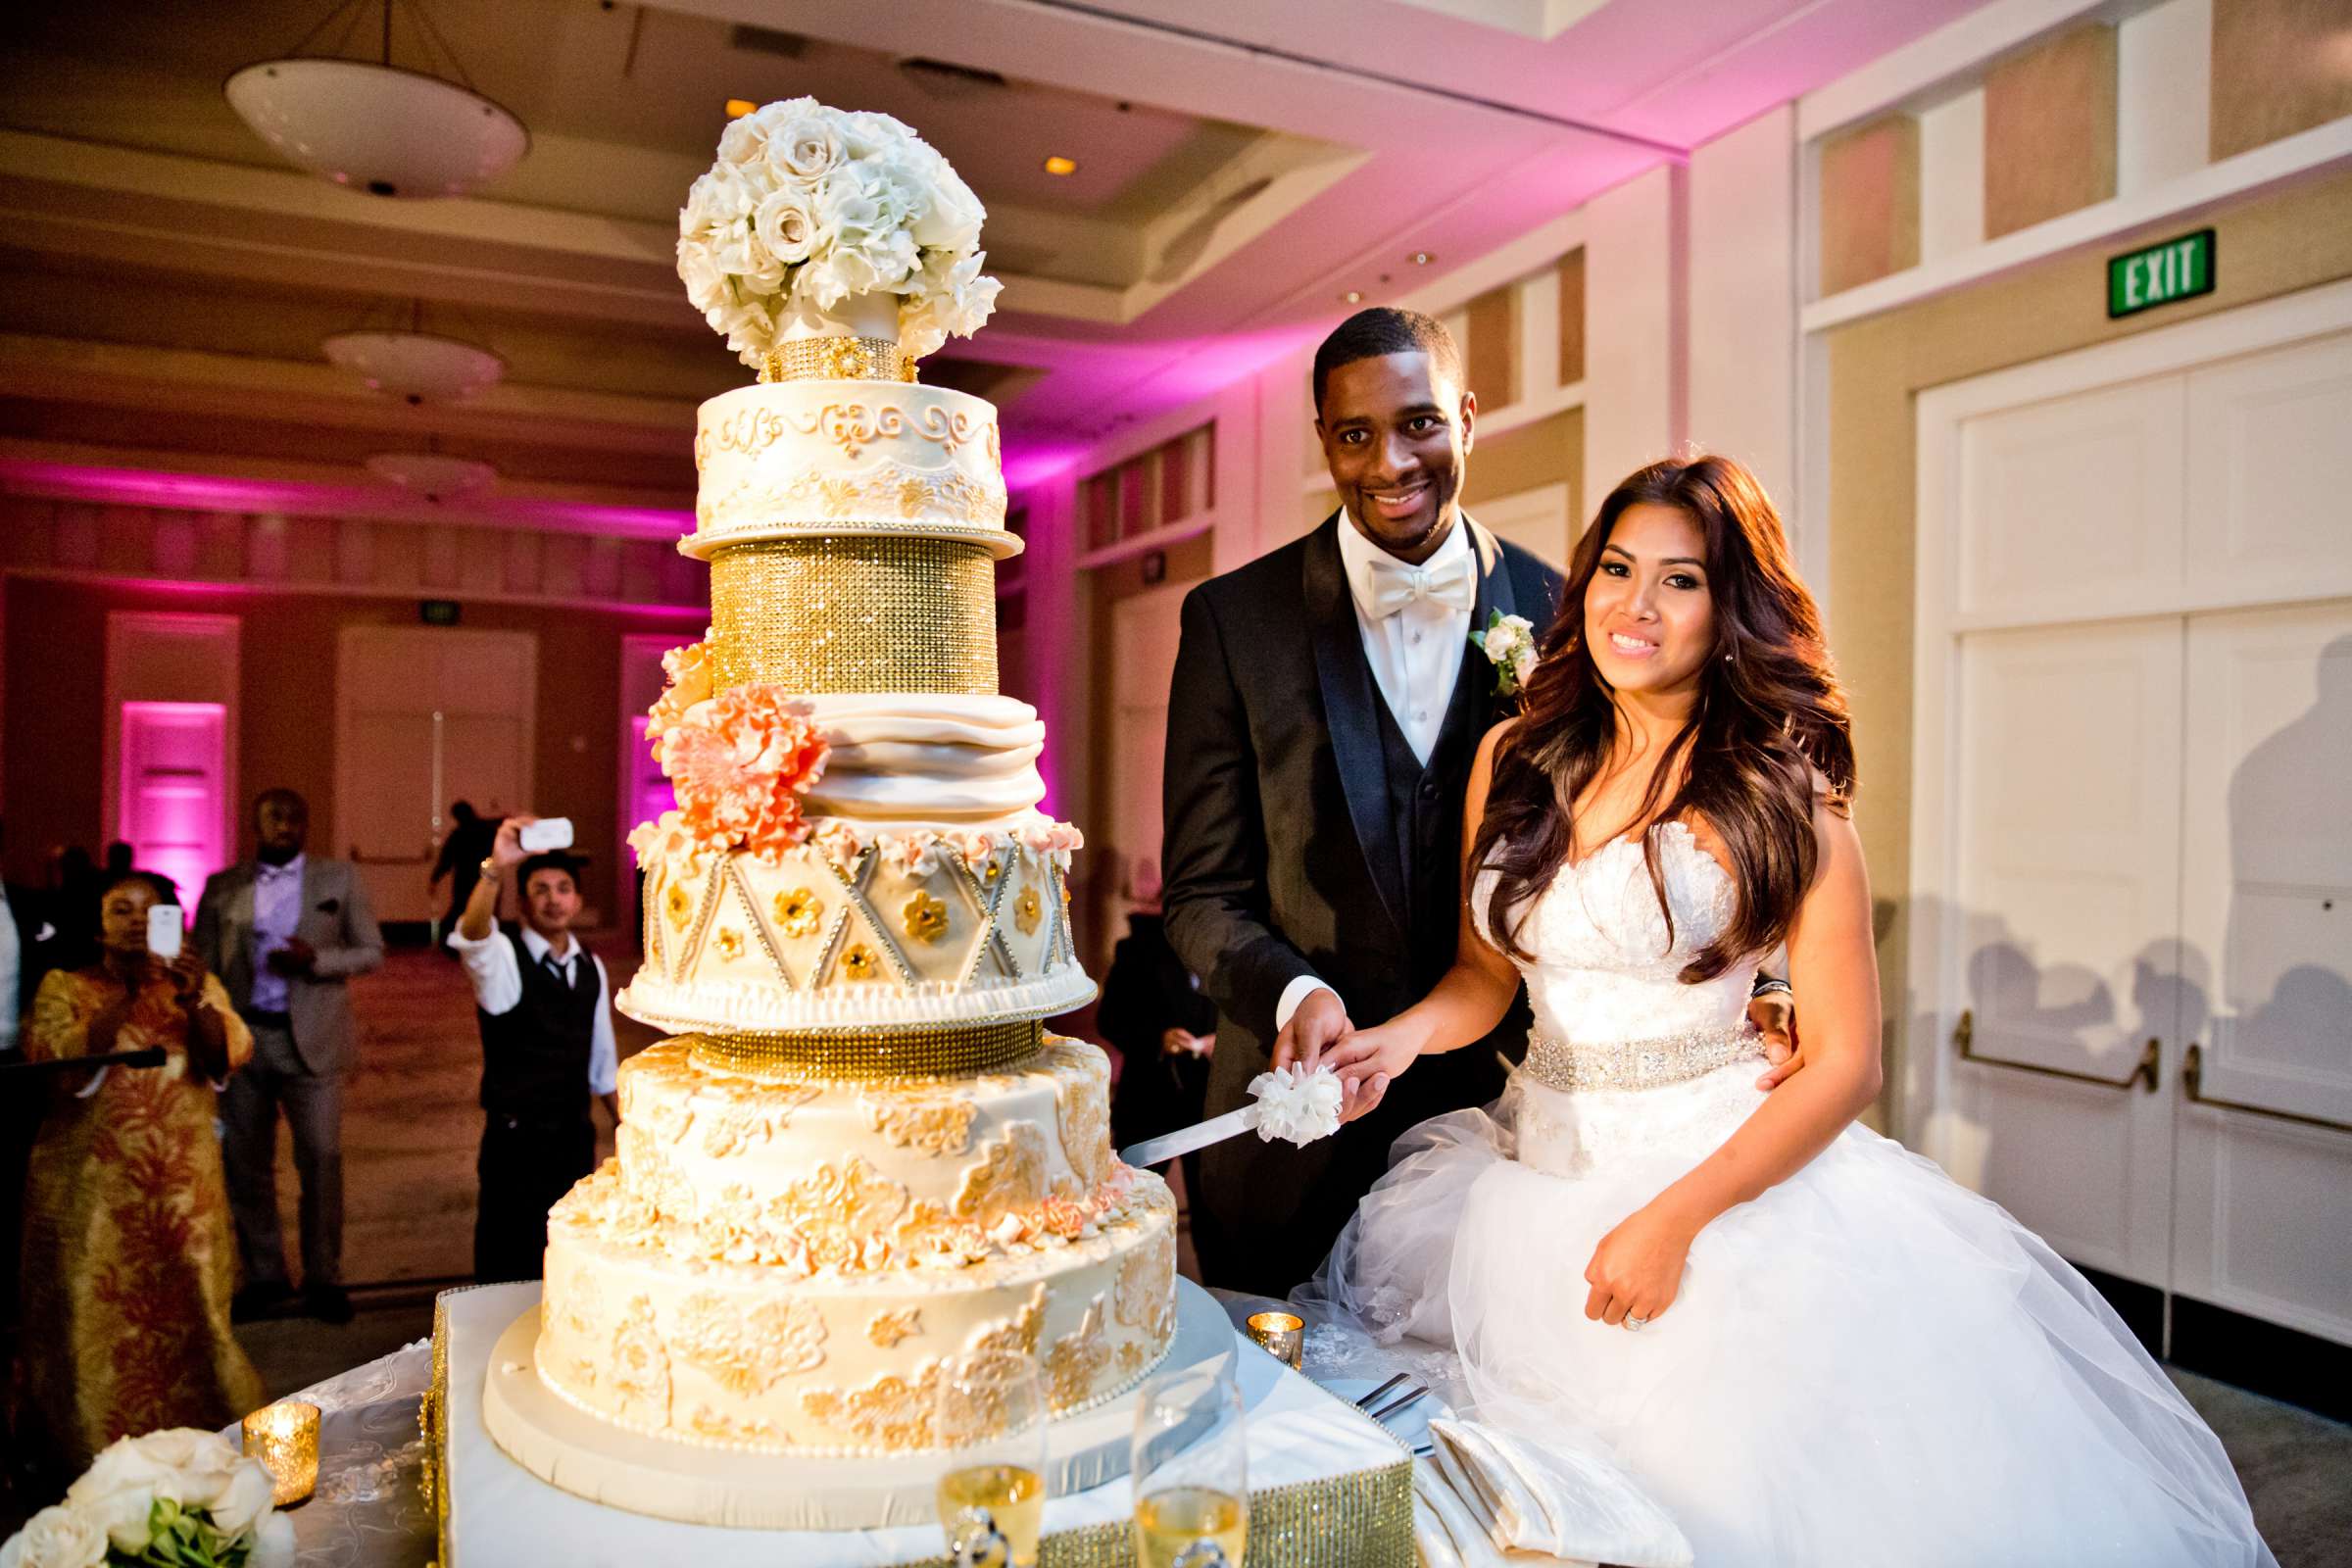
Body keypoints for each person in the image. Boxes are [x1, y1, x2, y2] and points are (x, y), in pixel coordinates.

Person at [1298, 456, 2274, 1565]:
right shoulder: (1514, 757)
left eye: (1682, 580)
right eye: (1618, 568)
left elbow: (1848, 1061)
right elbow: (1486, 979)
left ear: (1731, 613)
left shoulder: (1778, 791)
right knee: (1521, 1514)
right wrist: (1395, 1039)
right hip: (1519, 1190)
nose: (1636, 603)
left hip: (1715, 1197)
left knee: (1717, 1511)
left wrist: (1671, 1221)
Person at [1160, 308, 1790, 1295]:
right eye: (1354, 434)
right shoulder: (1235, 623)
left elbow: (1691, 808)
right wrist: (1297, 993)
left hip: (1512, 1137)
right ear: (1324, 438)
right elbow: (1199, 895)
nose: (1389, 461)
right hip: (1297, 1125)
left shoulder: (1573, 609)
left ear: (1465, 417)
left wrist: (1765, 982)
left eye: (1417, 424)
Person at [15, 871, 263, 1476]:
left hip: (183, 1197)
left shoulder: (195, 988)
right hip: (91, 1201)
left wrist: (195, 996)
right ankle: (94, 1463)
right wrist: (125, 993)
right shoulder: (64, 987)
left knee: (196, 1316)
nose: (132, 920)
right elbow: (61, 1066)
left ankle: (199, 1451)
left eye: (148, 911)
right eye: (119, 909)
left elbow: (224, 1056)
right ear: (98, 926)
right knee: (89, 1323)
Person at [195, 788, 383, 1324]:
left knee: (321, 1160)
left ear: (306, 825)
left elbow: (371, 952)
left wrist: (317, 959)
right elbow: (204, 966)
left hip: (314, 1041)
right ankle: (265, 1275)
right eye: (274, 815)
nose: (285, 825)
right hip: (245, 1041)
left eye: (295, 817)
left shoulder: (337, 879)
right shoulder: (222, 886)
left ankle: (325, 1275)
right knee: (246, 1164)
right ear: (255, 822)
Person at [446, 816, 619, 1284]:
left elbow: (602, 1065)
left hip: (572, 1139)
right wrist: (495, 868)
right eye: (540, 889)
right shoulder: (504, 956)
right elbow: (473, 936)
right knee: (508, 1265)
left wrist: (628, 1127)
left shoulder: (590, 968)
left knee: (565, 1261)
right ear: (522, 902)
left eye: (563, 888)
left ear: (577, 901)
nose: (553, 899)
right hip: (515, 1144)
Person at [1100, 857, 1217, 1200]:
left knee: (1212, 1213)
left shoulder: (1230, 953)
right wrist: (1159, 1038)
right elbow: (1110, 1019)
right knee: (1133, 1201)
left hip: (1209, 1104)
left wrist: (1222, 1042)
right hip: (1150, 1099)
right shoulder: (1138, 950)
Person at [428, 800, 502, 943]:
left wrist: (435, 879)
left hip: (464, 879)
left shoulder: (458, 834)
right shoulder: (488, 829)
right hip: (487, 878)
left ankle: (448, 939)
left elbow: (446, 859)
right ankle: (485, 940)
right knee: (488, 910)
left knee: (460, 909)